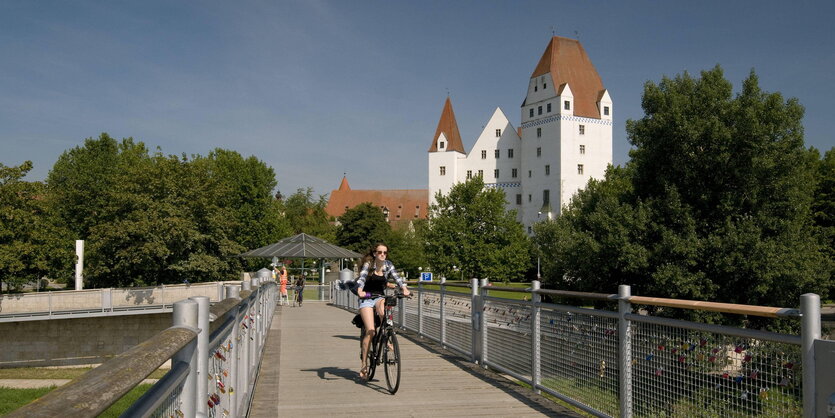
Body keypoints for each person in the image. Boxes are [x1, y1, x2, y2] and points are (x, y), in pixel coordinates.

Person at [355, 242, 410, 380]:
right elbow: (362, 278)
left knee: (384, 311)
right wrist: (360, 291)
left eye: (385, 253)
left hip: (379, 297)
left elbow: (397, 277)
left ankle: (387, 336)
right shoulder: (369, 264)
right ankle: (364, 364)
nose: (382, 255)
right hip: (367, 298)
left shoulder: (388, 265)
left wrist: (403, 288)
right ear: (375, 253)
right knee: (371, 331)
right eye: (380, 252)